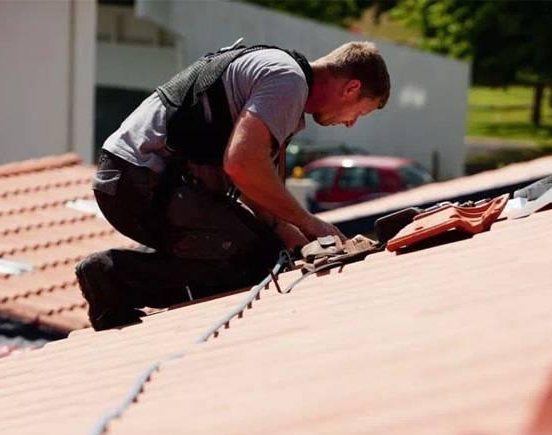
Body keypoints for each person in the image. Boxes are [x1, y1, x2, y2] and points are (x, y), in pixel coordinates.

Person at [76, 40, 390, 331]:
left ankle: (123, 276)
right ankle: (111, 276)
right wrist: (310, 222)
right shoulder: (287, 81)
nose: (351, 123)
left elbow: (261, 192)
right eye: (360, 112)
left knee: (269, 251)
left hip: (141, 180)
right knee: (250, 260)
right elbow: (242, 165)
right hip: (137, 181)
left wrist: (297, 240)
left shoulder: (286, 82)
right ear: (351, 88)